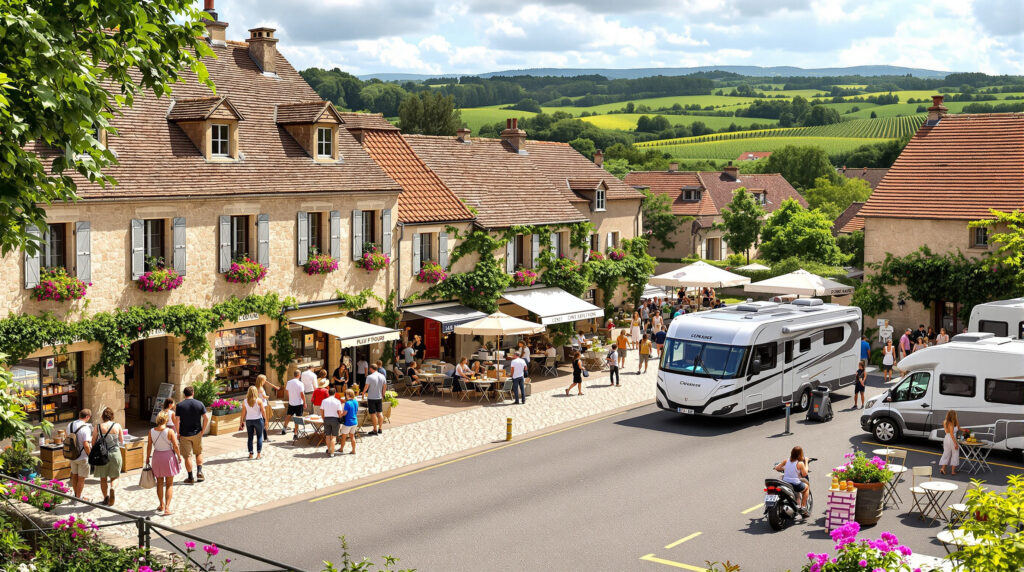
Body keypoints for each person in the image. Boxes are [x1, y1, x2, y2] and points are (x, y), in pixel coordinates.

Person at [147, 410, 182, 516]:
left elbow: (149, 446)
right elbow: (175, 446)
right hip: (168, 457)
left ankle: (161, 504)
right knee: (169, 483)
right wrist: (179, 456)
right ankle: (167, 507)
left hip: (157, 456)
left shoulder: (151, 431)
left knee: (160, 482)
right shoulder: (170, 431)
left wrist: (147, 458)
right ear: (166, 420)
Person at [92, 407, 124, 507]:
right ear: (112, 416)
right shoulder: (117, 426)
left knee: (103, 478)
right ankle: (113, 488)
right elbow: (121, 440)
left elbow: (93, 442)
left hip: (102, 455)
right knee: (115, 476)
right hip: (115, 453)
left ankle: (105, 497)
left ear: (102, 416)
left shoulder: (98, 427)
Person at [175, 386, 207, 484]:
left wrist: (178, 432)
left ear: (184, 394)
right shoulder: (199, 403)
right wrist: (203, 431)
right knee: (198, 453)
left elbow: (177, 421)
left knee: (187, 456)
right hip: (197, 433)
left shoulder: (180, 405)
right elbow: (206, 418)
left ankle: (190, 477)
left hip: (185, 434)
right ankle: (200, 472)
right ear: (193, 393)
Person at [774, 446, 810, 517]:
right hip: (795, 485)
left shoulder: (786, 460)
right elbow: (805, 473)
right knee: (806, 488)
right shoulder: (800, 463)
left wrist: (784, 468)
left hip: (785, 483)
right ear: (800, 454)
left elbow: (777, 468)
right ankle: (803, 507)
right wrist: (806, 461)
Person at [67, 409, 93, 501]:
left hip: (72, 455)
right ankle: (78, 498)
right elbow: (86, 444)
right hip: (82, 456)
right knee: (81, 478)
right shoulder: (86, 428)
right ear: (87, 417)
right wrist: (90, 455)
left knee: (74, 475)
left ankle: (76, 496)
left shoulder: (70, 425)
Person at [239, 386, 267, 460]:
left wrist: (241, 421)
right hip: (258, 420)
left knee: (250, 438)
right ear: (256, 392)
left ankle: (251, 454)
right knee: (259, 437)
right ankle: (258, 455)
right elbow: (263, 411)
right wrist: (266, 420)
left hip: (249, 421)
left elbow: (243, 413)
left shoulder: (245, 401)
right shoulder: (259, 400)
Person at [362, 364, 387, 436]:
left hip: (372, 397)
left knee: (373, 413)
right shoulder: (382, 376)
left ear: (371, 369)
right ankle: (380, 428)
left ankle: (375, 429)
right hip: (379, 397)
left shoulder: (369, 377)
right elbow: (384, 386)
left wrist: (363, 393)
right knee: (380, 413)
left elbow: (366, 387)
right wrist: (383, 394)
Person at [320, 388, 343, 457]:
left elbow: (321, 409)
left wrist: (323, 417)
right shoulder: (337, 401)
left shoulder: (324, 401)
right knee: (333, 437)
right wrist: (340, 418)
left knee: (327, 436)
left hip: (327, 418)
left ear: (328, 393)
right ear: (335, 393)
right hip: (335, 419)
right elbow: (339, 411)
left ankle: (329, 449)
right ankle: (332, 452)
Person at [284, 369, 305, 442]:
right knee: (298, 418)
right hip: (299, 403)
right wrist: (305, 402)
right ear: (299, 375)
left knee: (288, 415)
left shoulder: (289, 382)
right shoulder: (300, 383)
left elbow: (287, 391)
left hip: (291, 402)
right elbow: (302, 394)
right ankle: (295, 433)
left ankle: (284, 428)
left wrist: (290, 398)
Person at [939, 410, 963, 475]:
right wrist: (955, 444)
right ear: (954, 415)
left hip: (946, 438)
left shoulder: (945, 422)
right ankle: (953, 471)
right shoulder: (951, 423)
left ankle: (943, 469)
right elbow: (952, 434)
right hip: (952, 439)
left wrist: (965, 430)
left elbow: (958, 428)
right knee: (955, 454)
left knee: (946, 453)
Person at [254, 374, 274, 443]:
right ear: (262, 380)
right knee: (265, 421)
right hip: (263, 406)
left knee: (262, 421)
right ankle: (265, 438)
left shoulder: (256, 387)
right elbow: (264, 396)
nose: (265, 381)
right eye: (264, 379)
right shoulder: (261, 388)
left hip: (259, 405)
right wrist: (268, 396)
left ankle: (264, 437)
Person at [338, 389, 359, 455]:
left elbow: (345, 413)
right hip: (354, 421)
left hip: (348, 422)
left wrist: (340, 414)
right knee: (352, 436)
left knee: (344, 437)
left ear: (348, 395)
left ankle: (341, 449)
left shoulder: (347, 403)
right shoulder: (355, 401)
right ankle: (353, 450)